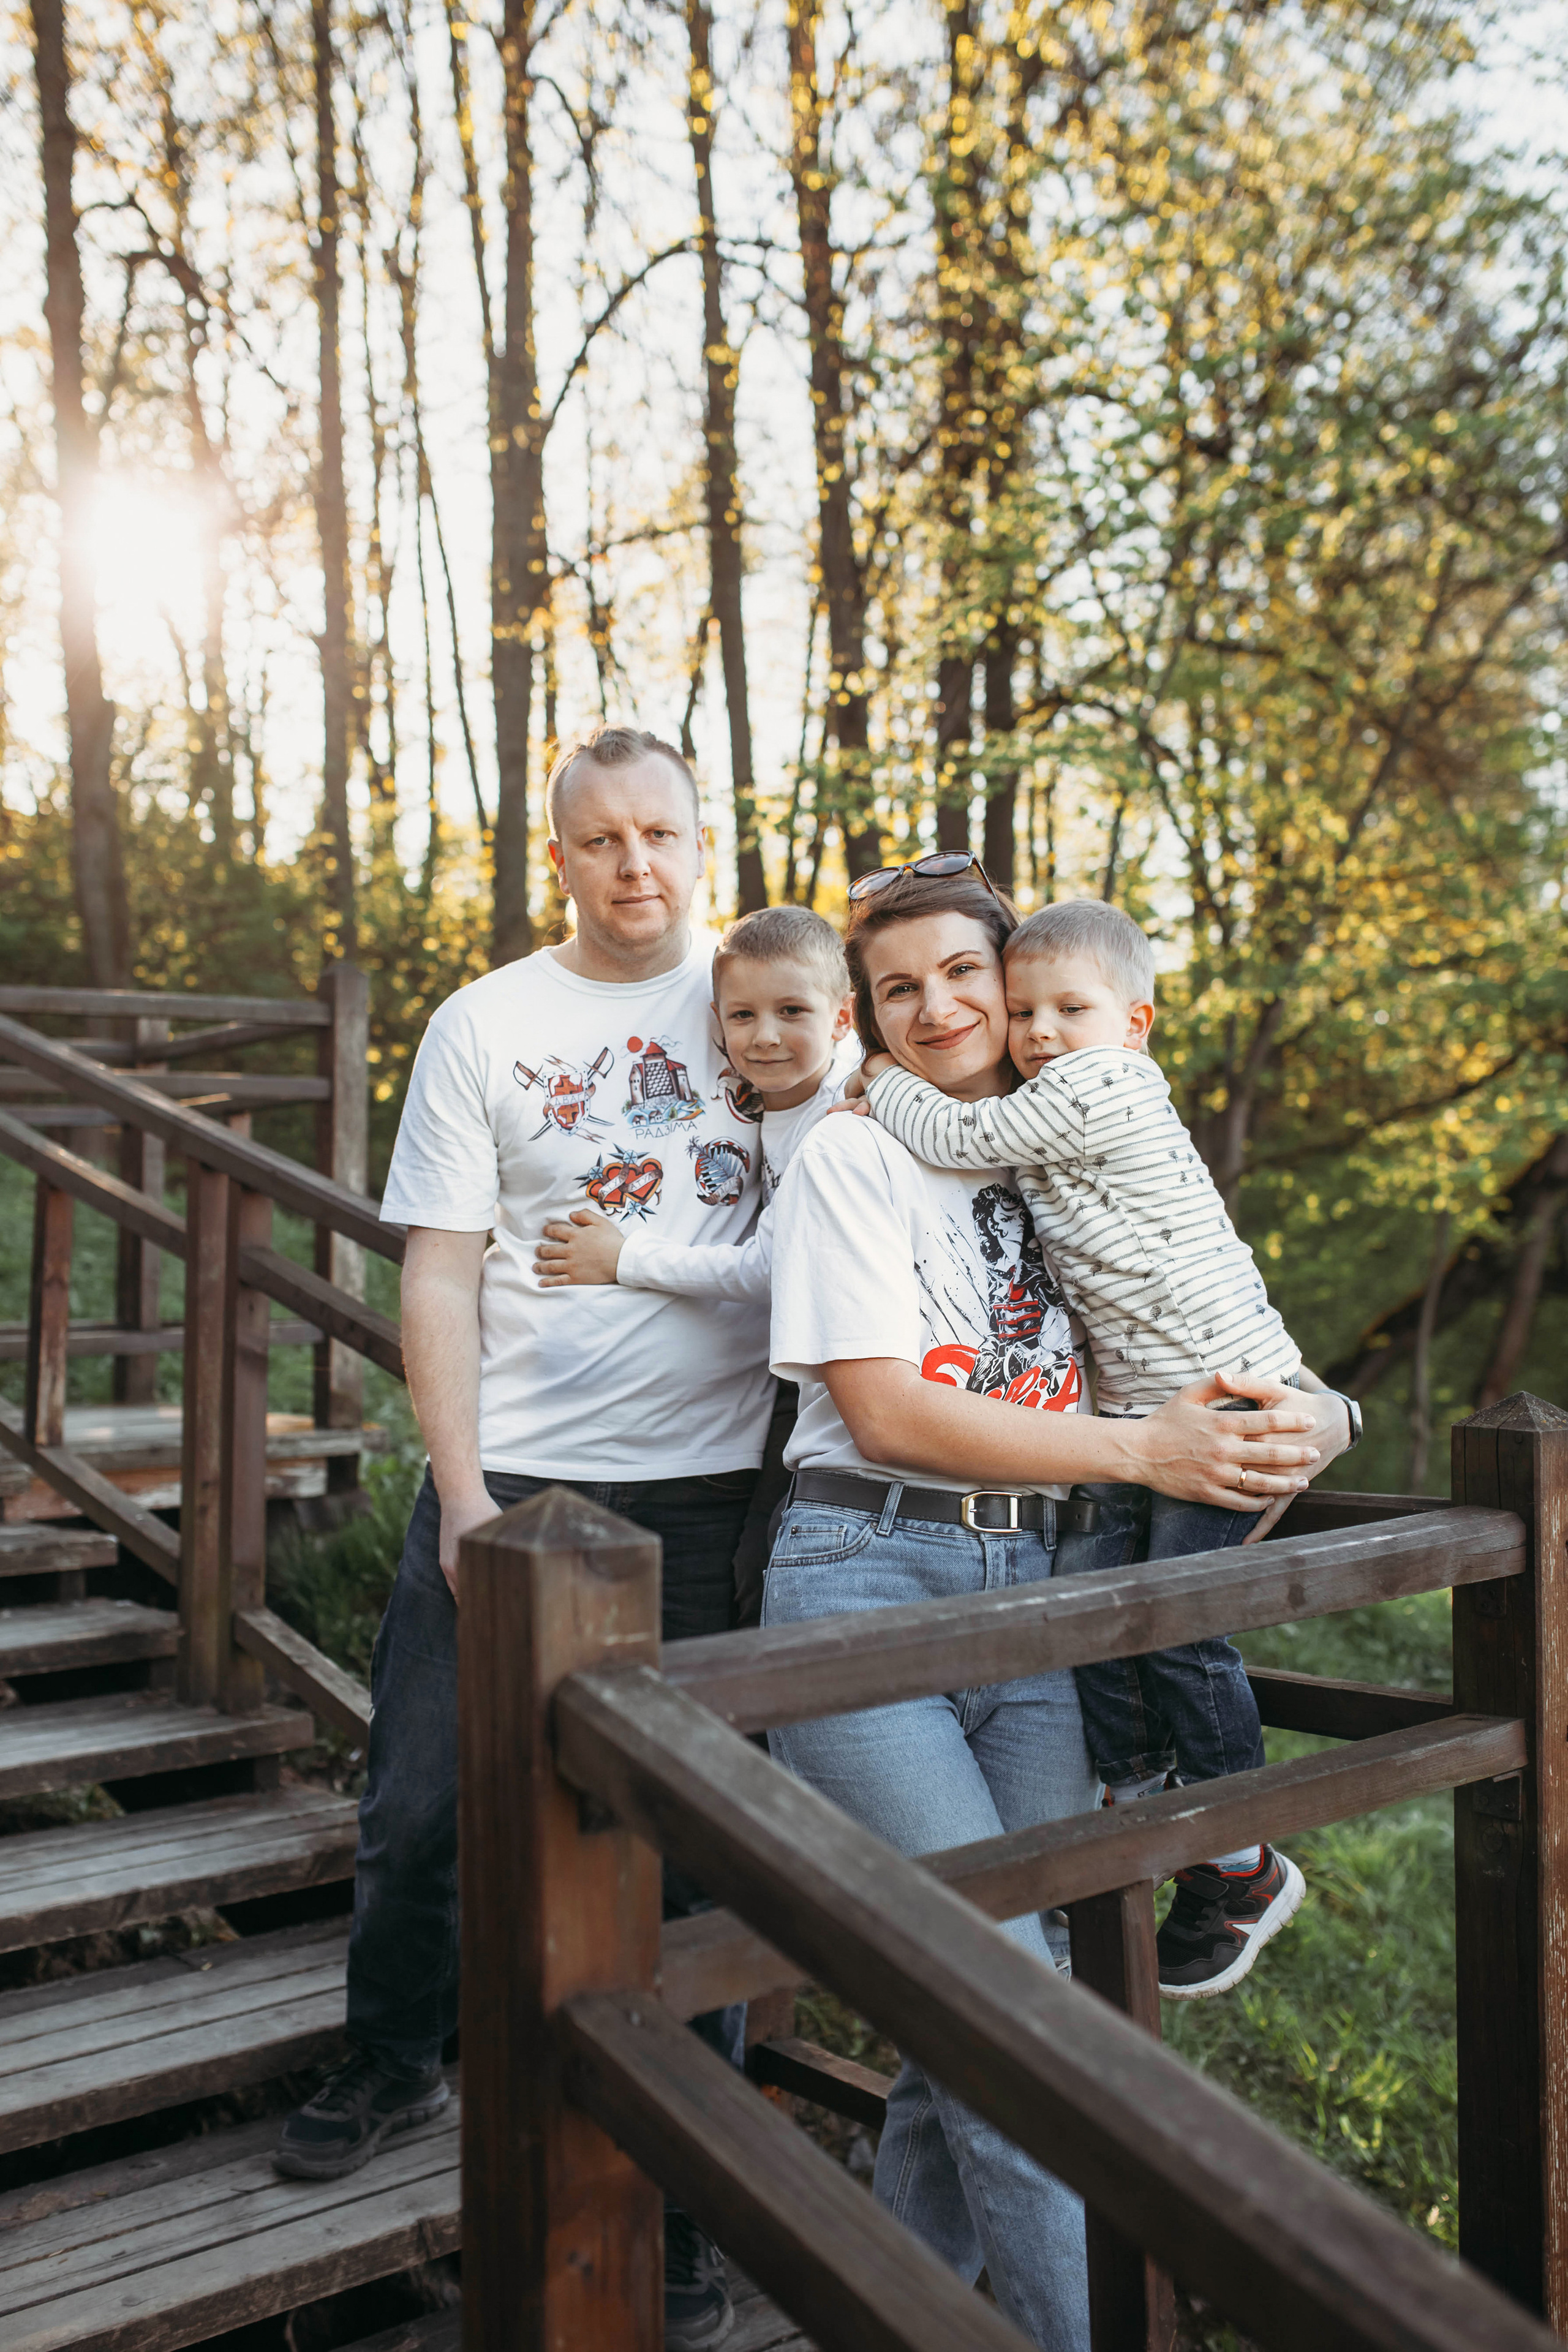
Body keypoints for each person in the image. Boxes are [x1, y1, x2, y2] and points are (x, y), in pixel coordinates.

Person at [274, 725, 772, 2352]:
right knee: (422, 1801)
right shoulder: (485, 1024)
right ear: (560, 853)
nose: (638, 863)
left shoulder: (771, 1003)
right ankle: (391, 2057)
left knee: (700, 1860)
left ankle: (690, 2204)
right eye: (604, 839)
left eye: (664, 835)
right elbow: (437, 1269)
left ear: (707, 839)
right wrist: (464, 1489)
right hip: (514, 1487)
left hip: (712, 1499)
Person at [859, 894, 1363, 1999]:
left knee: (1178, 1617)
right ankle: (1139, 1794)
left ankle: (1239, 1847)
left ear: (1136, 1023)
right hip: (1145, 1418)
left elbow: (958, 1130)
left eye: (1070, 1010)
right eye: (1028, 1009)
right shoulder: (1061, 1095)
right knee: (1097, 1600)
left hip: (1224, 1401)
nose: (1041, 1032)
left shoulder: (1098, 1087)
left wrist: (879, 1074)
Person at [532, 903, 857, 1623]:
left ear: (841, 1019)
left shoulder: (845, 1114)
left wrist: (625, 1259)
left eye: (792, 1011)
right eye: (742, 1017)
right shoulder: (776, 1102)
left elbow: (769, 1269)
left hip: (847, 1393)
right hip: (784, 1392)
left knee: (758, 1577)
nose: (764, 1036)